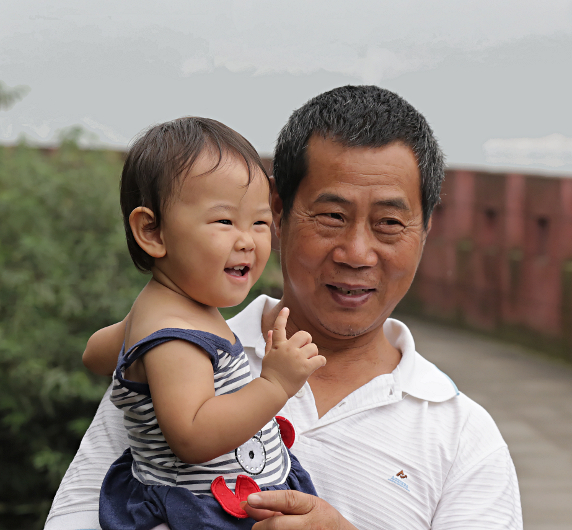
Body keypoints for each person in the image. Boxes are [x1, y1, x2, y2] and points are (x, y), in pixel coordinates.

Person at [45, 86, 523, 530]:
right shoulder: (178, 356)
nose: (357, 253)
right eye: (332, 216)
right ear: (277, 210)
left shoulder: (464, 438)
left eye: (389, 223)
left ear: (426, 229)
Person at [82, 117, 324, 530]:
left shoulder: (162, 309)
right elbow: (192, 436)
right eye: (225, 221)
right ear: (152, 231)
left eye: (260, 223)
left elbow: (94, 355)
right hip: (200, 512)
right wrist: (275, 385)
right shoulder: (175, 339)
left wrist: (133, 335)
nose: (247, 239)